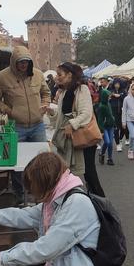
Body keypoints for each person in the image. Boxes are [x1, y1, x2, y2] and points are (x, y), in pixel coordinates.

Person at [0, 46, 51, 205]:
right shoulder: (1, 77)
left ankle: (41, 195)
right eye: (20, 62)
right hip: (16, 126)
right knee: (17, 165)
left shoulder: (37, 74)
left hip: (38, 125)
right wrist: (8, 111)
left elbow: (46, 93)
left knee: (41, 162)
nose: (24, 65)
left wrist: (44, 105)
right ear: (14, 62)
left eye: (26, 61)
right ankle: (19, 196)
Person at [48, 63, 105, 197]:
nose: (57, 77)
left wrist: (71, 124)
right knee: (73, 174)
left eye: (60, 74)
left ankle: (103, 207)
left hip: (83, 138)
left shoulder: (82, 89)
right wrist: (51, 111)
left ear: (69, 75)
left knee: (89, 175)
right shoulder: (64, 91)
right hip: (71, 140)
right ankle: (82, 203)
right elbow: (62, 117)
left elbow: (86, 113)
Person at [97, 88, 116, 166]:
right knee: (107, 142)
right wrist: (101, 130)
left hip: (110, 126)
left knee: (110, 143)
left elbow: (111, 115)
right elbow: (100, 120)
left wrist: (114, 123)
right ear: (104, 97)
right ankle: (102, 153)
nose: (110, 97)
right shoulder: (101, 107)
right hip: (104, 127)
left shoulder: (108, 103)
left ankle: (109, 158)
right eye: (108, 96)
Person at [108, 78, 127, 152]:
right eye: (115, 84)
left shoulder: (123, 91)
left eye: (118, 84)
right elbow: (108, 98)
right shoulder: (111, 90)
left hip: (122, 112)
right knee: (116, 128)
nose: (117, 85)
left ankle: (120, 139)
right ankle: (118, 144)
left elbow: (125, 98)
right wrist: (112, 95)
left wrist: (120, 96)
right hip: (114, 112)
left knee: (123, 127)